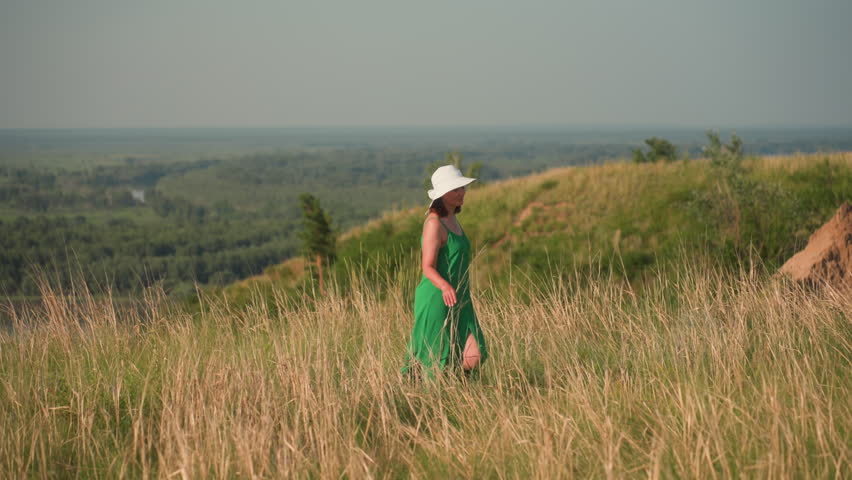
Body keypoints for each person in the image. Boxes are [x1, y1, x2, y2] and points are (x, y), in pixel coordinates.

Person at [402, 165, 488, 380]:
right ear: (442, 195)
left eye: (462, 188)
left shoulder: (453, 218)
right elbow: (427, 266)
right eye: (455, 189)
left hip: (460, 296)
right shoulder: (434, 223)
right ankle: (426, 397)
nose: (462, 193)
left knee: (475, 354)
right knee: (434, 357)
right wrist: (445, 286)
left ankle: (454, 386)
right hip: (437, 296)